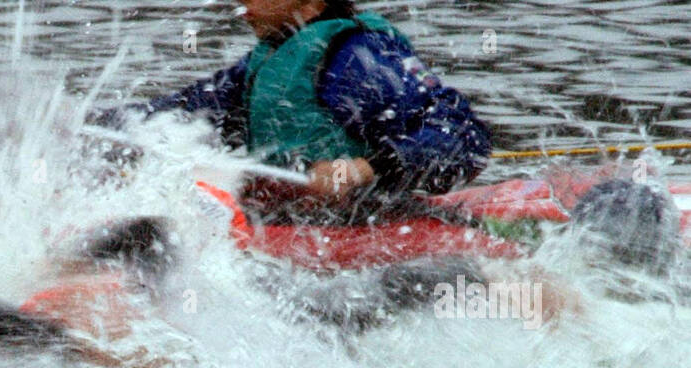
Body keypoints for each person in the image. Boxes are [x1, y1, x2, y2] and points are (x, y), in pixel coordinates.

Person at [97, 0, 490, 216]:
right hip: (292, 224)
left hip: (367, 228)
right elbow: (178, 112)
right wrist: (77, 126)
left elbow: (464, 138)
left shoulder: (357, 59)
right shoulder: (266, 61)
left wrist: (360, 169)